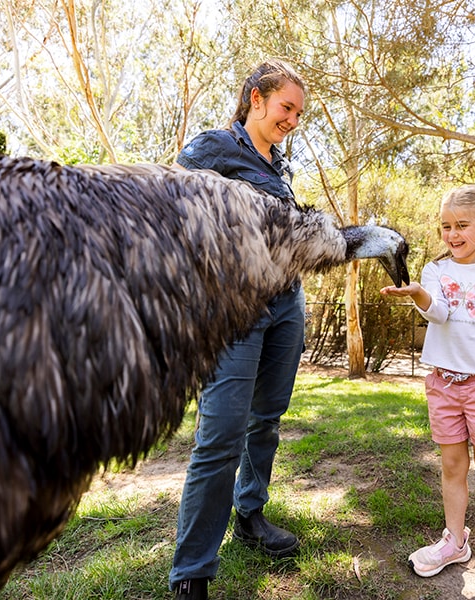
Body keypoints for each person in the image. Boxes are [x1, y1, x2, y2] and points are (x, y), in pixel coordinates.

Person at [169, 59, 308, 600]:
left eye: (298, 112)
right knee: (219, 435)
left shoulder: (281, 166)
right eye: (285, 107)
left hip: (286, 305)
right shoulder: (213, 148)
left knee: (266, 419)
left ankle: (249, 514)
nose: (292, 119)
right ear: (256, 98)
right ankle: (192, 570)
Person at [380, 184, 475, 600]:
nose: (453, 233)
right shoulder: (435, 270)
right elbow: (439, 313)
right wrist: (418, 295)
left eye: (462, 225)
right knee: (452, 466)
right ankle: (456, 542)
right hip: (443, 384)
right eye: (446, 226)